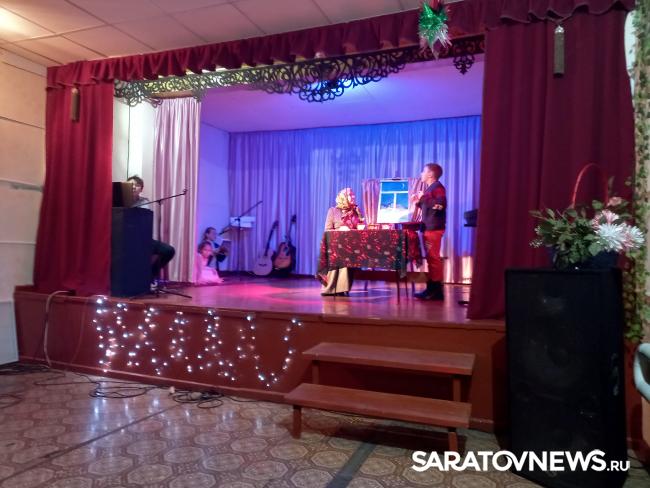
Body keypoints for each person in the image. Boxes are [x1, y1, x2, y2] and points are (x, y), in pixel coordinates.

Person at [127, 175, 176, 282]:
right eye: (131, 185)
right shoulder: (121, 201)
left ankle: (150, 276)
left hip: (143, 239)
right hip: (127, 240)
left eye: (137, 185)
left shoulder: (145, 201)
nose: (133, 187)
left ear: (141, 189)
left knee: (169, 250)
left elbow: (143, 219)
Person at [318, 188, 364, 296]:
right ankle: (333, 288)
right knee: (342, 254)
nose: (353, 197)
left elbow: (360, 225)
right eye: (350, 195)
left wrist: (360, 227)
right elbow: (327, 230)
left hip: (352, 245)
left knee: (349, 253)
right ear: (343, 197)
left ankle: (343, 288)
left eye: (353, 194)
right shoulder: (333, 211)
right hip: (335, 244)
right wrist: (340, 230)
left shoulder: (356, 211)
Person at [411, 163, 446, 300]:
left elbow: (440, 206)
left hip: (433, 229)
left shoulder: (438, 188)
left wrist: (424, 198)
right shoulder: (431, 188)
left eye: (423, 171)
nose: (421, 173)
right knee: (431, 259)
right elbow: (429, 207)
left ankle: (436, 291)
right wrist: (418, 202)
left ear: (430, 174)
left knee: (433, 259)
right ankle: (431, 289)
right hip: (429, 228)